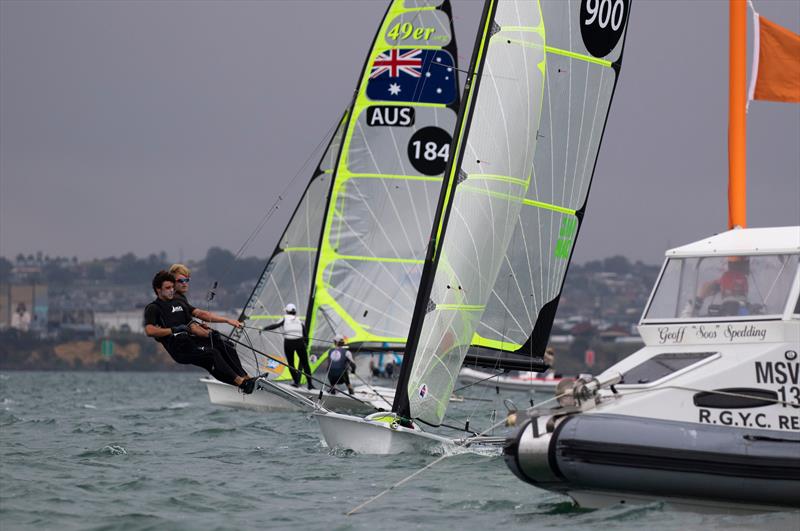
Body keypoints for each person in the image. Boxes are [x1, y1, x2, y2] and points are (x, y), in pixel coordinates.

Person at [144, 270, 256, 393]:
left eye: (172, 287)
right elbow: (149, 330)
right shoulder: (153, 308)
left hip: (191, 342)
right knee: (212, 354)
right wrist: (172, 330)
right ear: (158, 289)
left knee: (224, 345)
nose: (171, 290)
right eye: (167, 288)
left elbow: (192, 326)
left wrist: (209, 334)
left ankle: (246, 378)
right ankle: (241, 383)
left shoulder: (179, 303)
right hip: (178, 349)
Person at [168, 263, 248, 379]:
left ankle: (243, 377)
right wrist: (226, 320)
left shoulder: (180, 298)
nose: (184, 283)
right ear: (172, 282)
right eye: (181, 280)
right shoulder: (175, 299)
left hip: (189, 339)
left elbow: (197, 316)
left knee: (227, 345)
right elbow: (198, 317)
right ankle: (241, 379)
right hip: (184, 344)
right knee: (218, 348)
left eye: (187, 279)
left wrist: (202, 326)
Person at [262, 303, 315, 389]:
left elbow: (275, 325)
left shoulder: (285, 318)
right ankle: (310, 385)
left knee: (291, 364)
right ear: (295, 312)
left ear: (287, 311)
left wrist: (264, 329)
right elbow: (305, 334)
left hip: (289, 343)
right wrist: (306, 344)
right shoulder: (299, 320)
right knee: (305, 364)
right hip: (300, 343)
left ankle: (296, 382)